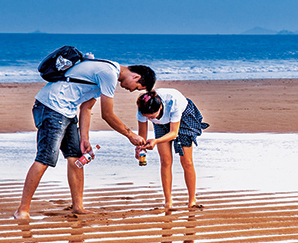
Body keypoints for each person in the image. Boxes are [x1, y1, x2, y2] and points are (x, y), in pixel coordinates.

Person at [13, 60, 156, 219]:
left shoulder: (107, 72)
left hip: (66, 110)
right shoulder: (109, 73)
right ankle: (22, 210)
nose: (131, 90)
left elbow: (86, 108)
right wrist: (130, 135)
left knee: (76, 157)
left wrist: (84, 139)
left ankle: (78, 207)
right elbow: (107, 114)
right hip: (52, 107)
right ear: (136, 77)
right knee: (45, 158)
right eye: (136, 88)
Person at [136, 88, 208, 211]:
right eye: (147, 118)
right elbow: (142, 135)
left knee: (187, 161)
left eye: (151, 117)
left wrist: (156, 141)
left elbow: (174, 133)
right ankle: (168, 201)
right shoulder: (143, 109)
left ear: (159, 108)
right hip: (162, 123)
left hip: (184, 117)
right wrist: (140, 148)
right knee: (165, 161)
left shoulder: (173, 101)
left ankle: (192, 200)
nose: (149, 119)